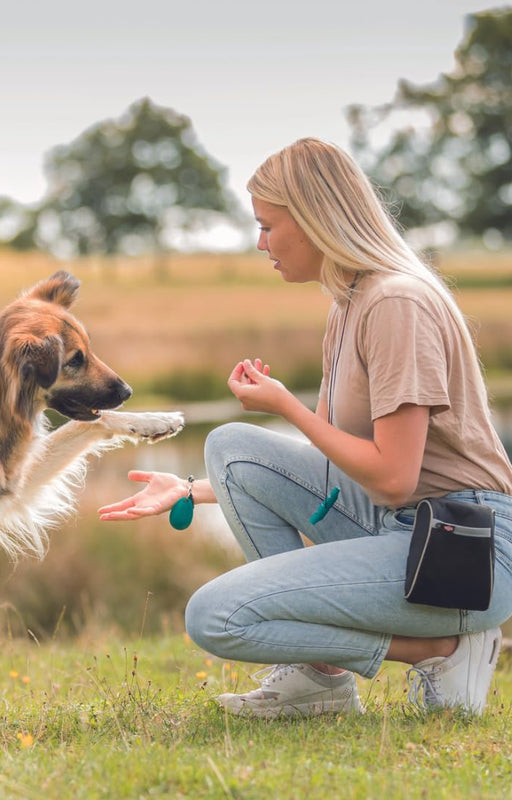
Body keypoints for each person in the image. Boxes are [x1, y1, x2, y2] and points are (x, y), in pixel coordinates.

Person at [98, 137, 512, 718]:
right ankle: (319, 682)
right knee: (231, 447)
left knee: (215, 616)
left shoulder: (397, 303)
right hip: (404, 527)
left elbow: (393, 478)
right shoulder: (349, 305)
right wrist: (193, 489)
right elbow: (336, 470)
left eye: (268, 226)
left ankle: (441, 648)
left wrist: (285, 406)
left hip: (464, 551)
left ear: (317, 220)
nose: (260, 242)